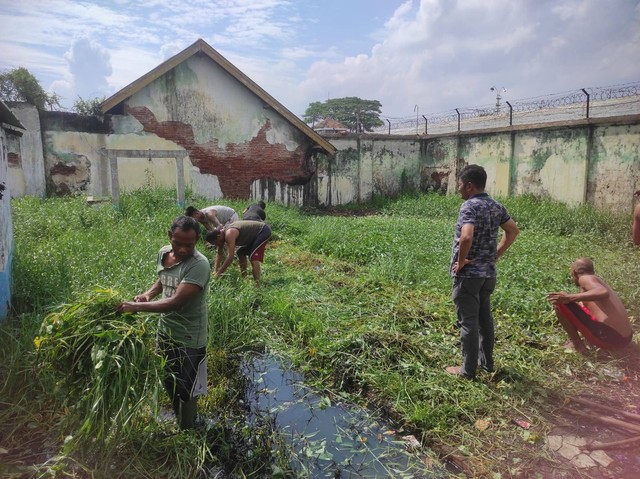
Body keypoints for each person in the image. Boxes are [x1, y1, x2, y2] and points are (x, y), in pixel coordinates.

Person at [118, 216, 210, 429]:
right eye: (178, 243)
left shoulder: (199, 265)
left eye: (190, 244)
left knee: (188, 387)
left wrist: (136, 307)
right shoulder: (163, 253)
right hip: (166, 331)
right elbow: (163, 278)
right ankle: (180, 418)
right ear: (170, 237)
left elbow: (176, 302)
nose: (184, 249)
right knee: (168, 378)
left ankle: (188, 428)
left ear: (196, 240)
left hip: (190, 337)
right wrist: (148, 294)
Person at [446, 164, 519, 380]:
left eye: (459, 184)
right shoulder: (496, 206)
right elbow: (513, 230)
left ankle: (467, 371)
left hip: (469, 277)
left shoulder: (469, 206)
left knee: (468, 321)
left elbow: (466, 236)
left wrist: (461, 262)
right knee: (484, 319)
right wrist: (496, 254)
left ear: (469, 186)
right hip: (488, 274)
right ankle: (487, 364)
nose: (458, 188)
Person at [547, 258, 632, 354]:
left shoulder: (585, 278)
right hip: (626, 339)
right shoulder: (596, 280)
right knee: (581, 303)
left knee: (560, 303)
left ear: (574, 272)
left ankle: (577, 344)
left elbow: (603, 292)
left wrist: (569, 298)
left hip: (610, 340)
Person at [205, 220, 271, 287]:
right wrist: (215, 270)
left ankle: (257, 285)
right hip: (252, 236)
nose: (217, 245)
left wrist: (219, 273)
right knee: (240, 252)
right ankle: (244, 278)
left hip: (262, 231)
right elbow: (219, 253)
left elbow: (230, 257)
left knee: (253, 257)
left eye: (216, 243)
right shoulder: (221, 235)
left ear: (218, 237)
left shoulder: (229, 234)